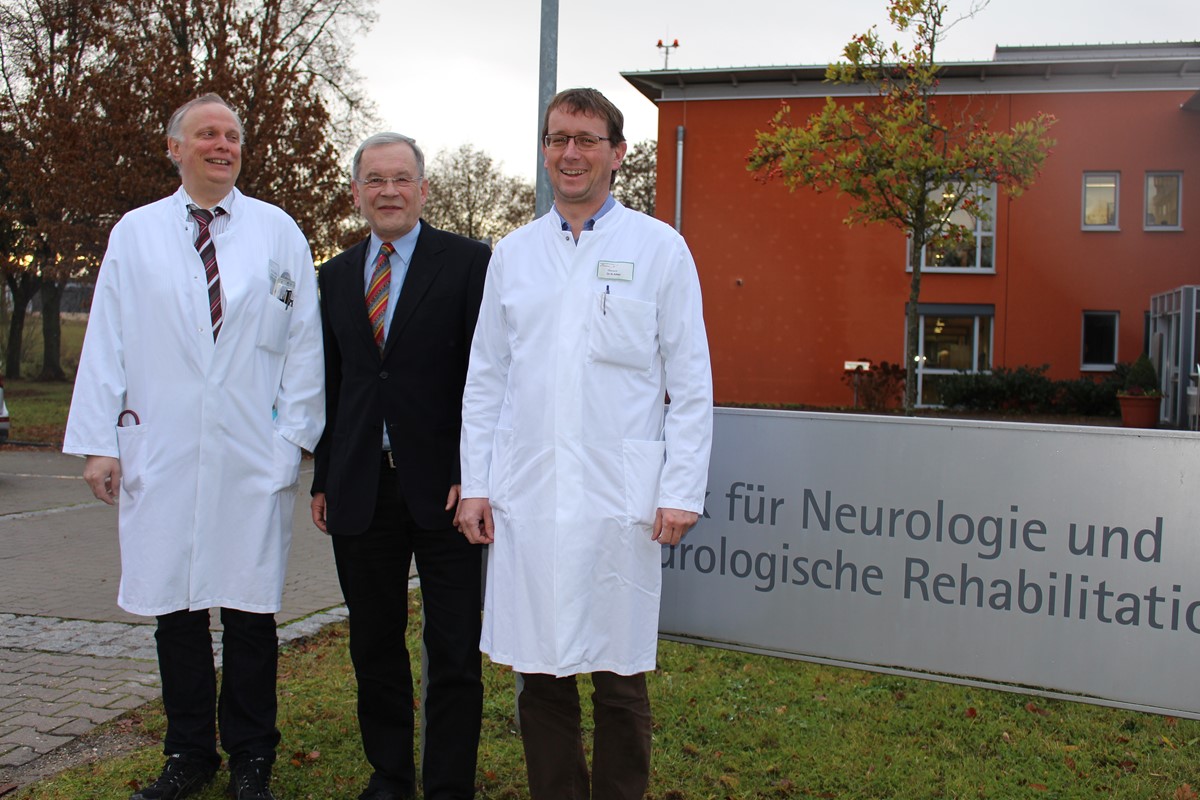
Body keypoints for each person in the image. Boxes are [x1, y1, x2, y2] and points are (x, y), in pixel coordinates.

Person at [63, 93, 324, 800]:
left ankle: (251, 757)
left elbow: (305, 346)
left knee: (248, 611)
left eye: (233, 135)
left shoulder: (278, 232)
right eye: (207, 134)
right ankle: (188, 754)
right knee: (174, 610)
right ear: (174, 148)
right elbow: (107, 338)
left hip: (251, 450)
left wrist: (291, 439)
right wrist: (98, 443)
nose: (222, 144)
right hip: (162, 443)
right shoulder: (137, 232)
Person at [456, 87, 713, 799]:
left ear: (617, 154)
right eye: (558, 138)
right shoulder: (513, 255)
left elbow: (690, 382)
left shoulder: (660, 249)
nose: (570, 153)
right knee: (540, 675)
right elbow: (487, 380)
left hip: (617, 499)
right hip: (530, 495)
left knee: (619, 674)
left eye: (587, 139)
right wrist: (476, 484)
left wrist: (680, 489)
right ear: (544, 150)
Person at [310, 132, 489, 800]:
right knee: (374, 646)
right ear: (356, 192)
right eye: (374, 180)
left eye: (401, 178)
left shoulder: (471, 264)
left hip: (447, 491)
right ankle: (390, 775)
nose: (388, 191)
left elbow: (487, 377)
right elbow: (331, 384)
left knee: (454, 653)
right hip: (361, 486)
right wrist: (324, 476)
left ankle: (448, 786)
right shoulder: (331, 276)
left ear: (423, 189)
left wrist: (474, 471)